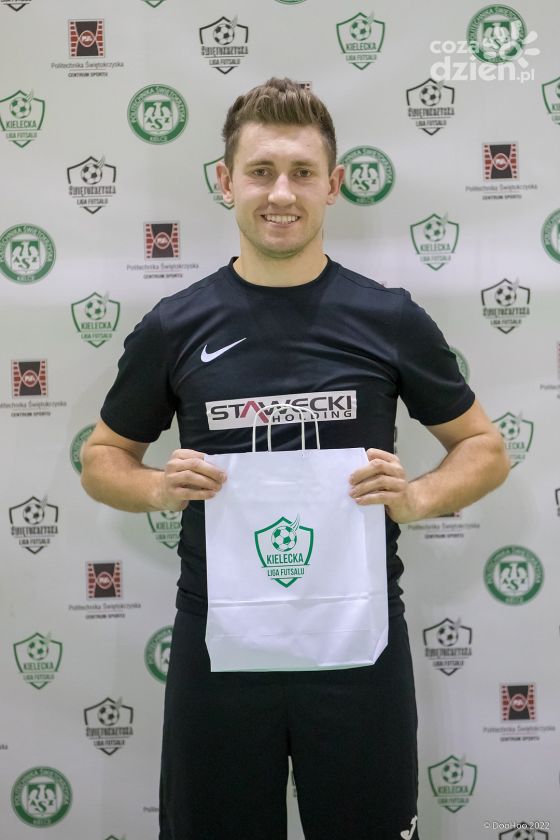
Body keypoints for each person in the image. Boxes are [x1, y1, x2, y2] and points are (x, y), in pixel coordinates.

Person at [81, 77, 509, 840]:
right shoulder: (176, 326)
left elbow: (484, 447)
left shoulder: (389, 318)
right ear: (226, 182)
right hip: (220, 649)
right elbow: (103, 458)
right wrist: (156, 489)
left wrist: (416, 498)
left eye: (302, 173)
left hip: (358, 647)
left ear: (333, 186)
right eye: (261, 172)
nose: (281, 193)